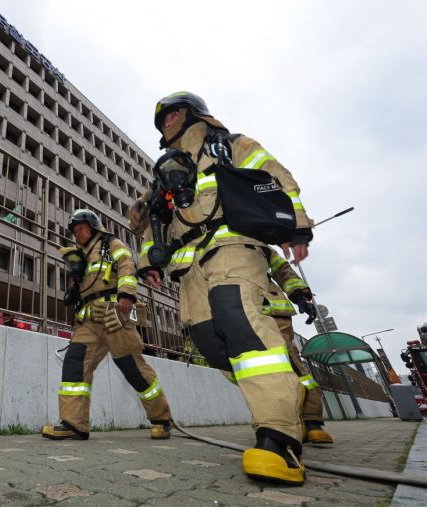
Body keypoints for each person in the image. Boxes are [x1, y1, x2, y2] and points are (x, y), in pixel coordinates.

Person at [136, 92, 314, 485]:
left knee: (241, 323)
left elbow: (277, 176)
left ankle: (279, 436)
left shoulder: (232, 146)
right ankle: (285, 395)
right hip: (188, 264)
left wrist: (296, 224)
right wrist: (149, 262)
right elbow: (150, 224)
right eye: (162, 119)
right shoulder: (164, 172)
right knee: (212, 343)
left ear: (194, 114)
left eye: (174, 114)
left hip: (232, 244)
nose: (168, 122)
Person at [42, 209, 174, 441]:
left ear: (92, 225)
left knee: (132, 367)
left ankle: (162, 420)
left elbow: (126, 265)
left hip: (115, 313)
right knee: (74, 363)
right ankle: (74, 424)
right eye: (74, 231)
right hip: (89, 319)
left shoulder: (110, 243)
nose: (77, 233)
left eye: (80, 228)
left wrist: (126, 294)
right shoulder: (80, 255)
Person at [266, 251, 333, 444]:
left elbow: (282, 269)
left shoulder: (255, 239)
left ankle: (312, 421)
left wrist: (300, 297)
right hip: (239, 313)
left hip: (271, 309)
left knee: (292, 363)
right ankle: (283, 422)